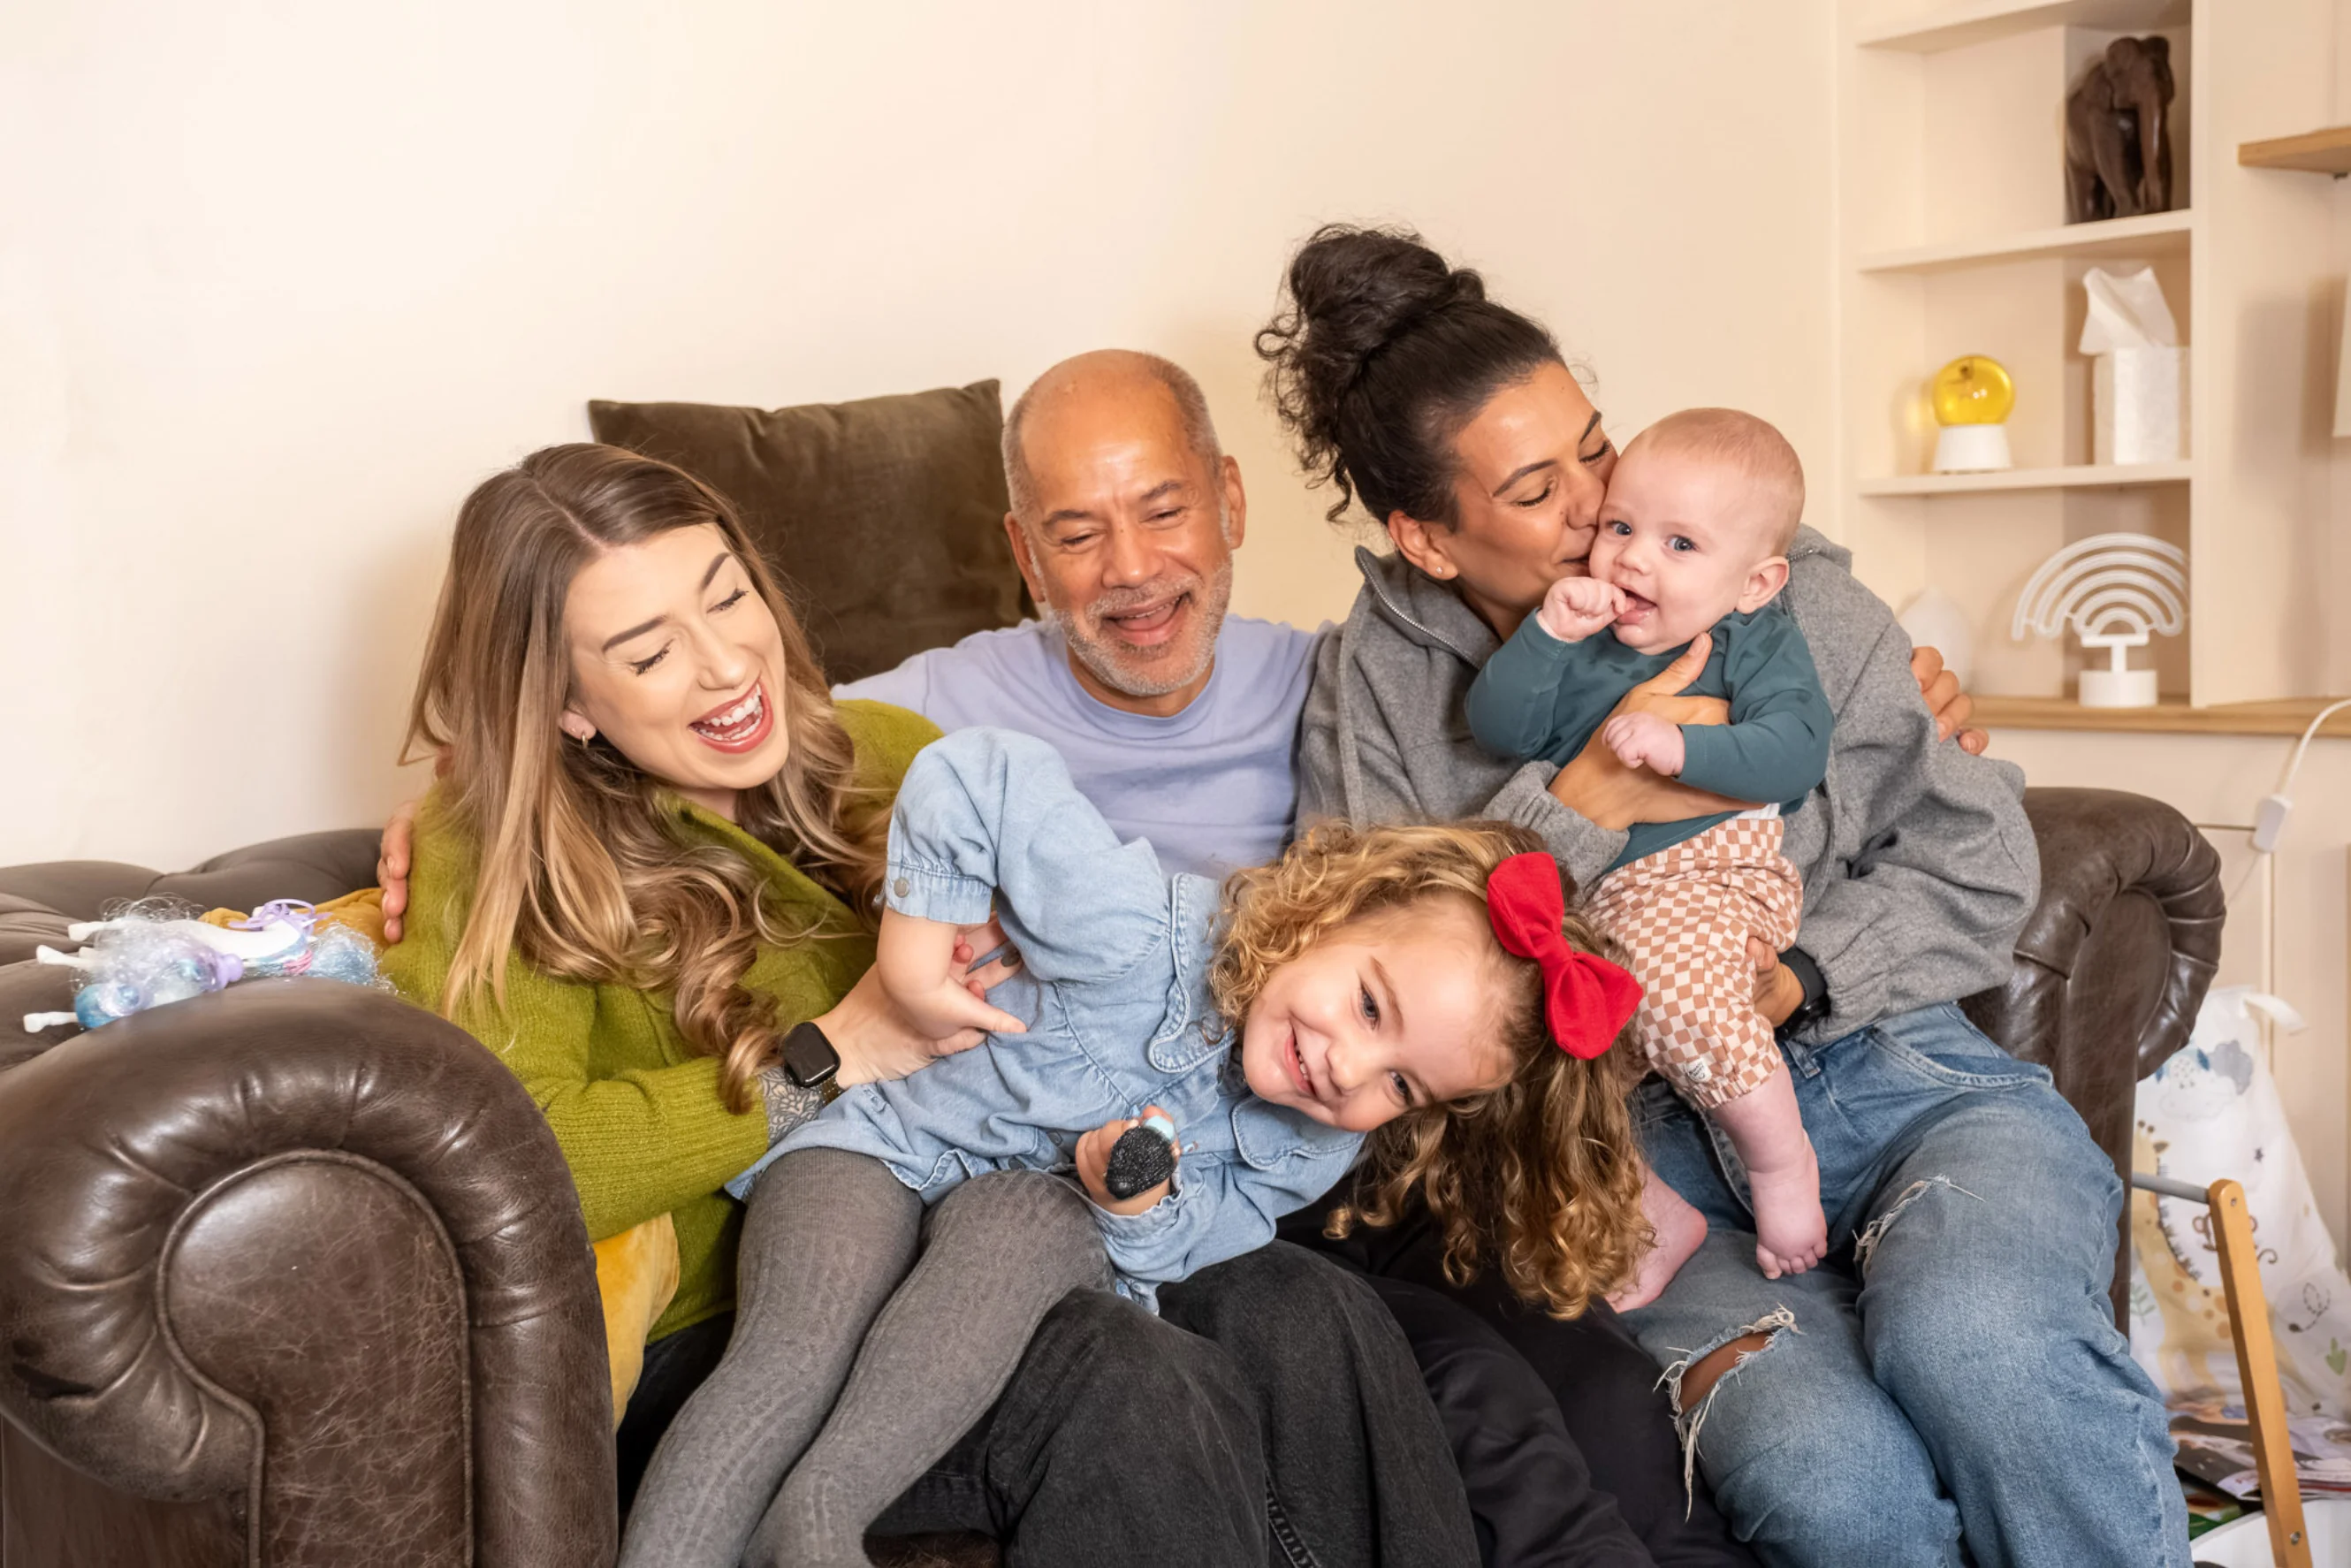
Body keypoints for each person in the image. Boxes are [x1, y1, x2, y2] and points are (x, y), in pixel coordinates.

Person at [1259, 222, 2189, 1567]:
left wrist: (1802, 975)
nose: (1602, 504)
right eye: (1539, 488)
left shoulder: (1766, 572)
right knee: (1830, 1480)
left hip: (1896, 1074)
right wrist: (1580, 804)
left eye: (1596, 443)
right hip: (1649, 1160)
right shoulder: (1376, 696)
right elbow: (1401, 1011)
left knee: (1977, 1343)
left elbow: (1979, 856)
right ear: (1427, 535)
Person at [377, 443, 1311, 1568]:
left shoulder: (889, 753)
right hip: (744, 1323)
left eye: (729, 598)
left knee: (1305, 1308)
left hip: (984, 1230)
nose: (727, 667)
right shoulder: (493, 849)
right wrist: (823, 1055)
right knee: (1129, 1378)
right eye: (649, 651)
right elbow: (499, 1170)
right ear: (567, 703)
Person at [623, 725, 1650, 1568]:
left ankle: (820, 1518)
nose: (1347, 1067)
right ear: (1331, 912)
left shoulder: (1308, 1149)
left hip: (1019, 1210)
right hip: (881, 1140)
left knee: (1035, 1230)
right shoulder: (1132, 930)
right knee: (793, 1347)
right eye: (1367, 1002)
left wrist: (1136, 1210)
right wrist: (912, 949)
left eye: (1401, 1082)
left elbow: (1185, 1248)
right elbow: (980, 773)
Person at [1465, 408, 1832, 1301]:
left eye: (1678, 545)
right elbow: (1494, 728)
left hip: (1711, 868)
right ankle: (1652, 1214)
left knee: (1679, 995)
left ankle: (1780, 1169)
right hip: (1605, 894)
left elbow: (1796, 750)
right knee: (1534, 1050)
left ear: (1754, 582)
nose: (1631, 559)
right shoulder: (1583, 634)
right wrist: (1546, 634)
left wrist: (1686, 753)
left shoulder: (1753, 640)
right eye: (1621, 528)